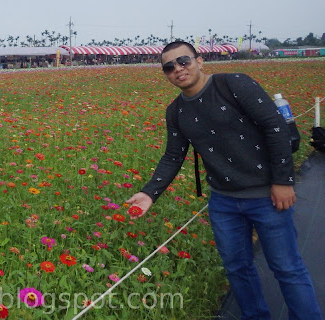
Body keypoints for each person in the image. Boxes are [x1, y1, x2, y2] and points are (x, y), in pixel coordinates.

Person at [127, 40, 321, 320]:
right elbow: (173, 156)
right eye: (169, 67)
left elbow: (275, 127)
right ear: (165, 74)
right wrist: (149, 193)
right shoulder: (176, 111)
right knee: (237, 269)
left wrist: (283, 181)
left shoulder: (234, 84)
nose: (178, 69)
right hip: (223, 202)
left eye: (184, 61)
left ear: (200, 60)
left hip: (267, 196)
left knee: (287, 268)